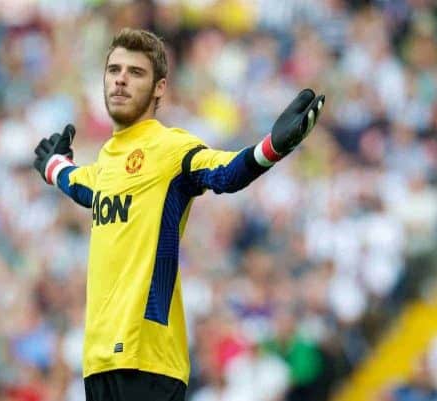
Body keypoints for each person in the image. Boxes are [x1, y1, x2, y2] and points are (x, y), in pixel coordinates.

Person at [33, 28, 324, 401]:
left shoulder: (171, 148)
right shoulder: (107, 159)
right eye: (114, 70)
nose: (120, 79)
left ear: (159, 87)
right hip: (100, 360)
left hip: (148, 358)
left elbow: (226, 173)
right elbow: (81, 185)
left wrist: (273, 147)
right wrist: (52, 166)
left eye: (135, 72)